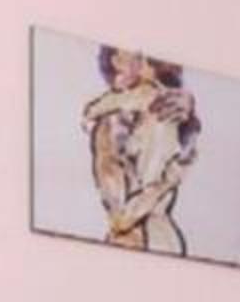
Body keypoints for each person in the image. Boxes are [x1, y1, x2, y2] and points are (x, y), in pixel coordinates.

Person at [79, 45, 200, 254]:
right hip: (134, 247)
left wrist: (189, 128)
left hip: (168, 244)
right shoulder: (110, 124)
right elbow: (120, 219)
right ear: (117, 61)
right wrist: (171, 178)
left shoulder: (170, 109)